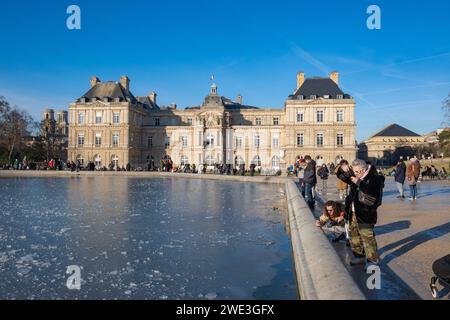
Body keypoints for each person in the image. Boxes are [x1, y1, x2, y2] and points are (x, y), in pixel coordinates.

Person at [336, 159, 383, 268]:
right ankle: (359, 256)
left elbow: (373, 194)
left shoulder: (374, 178)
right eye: (354, 171)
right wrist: (342, 170)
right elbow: (342, 177)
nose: (356, 174)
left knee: (367, 237)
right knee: (354, 236)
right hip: (352, 212)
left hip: (366, 212)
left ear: (364, 169)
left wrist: (359, 182)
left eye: (358, 172)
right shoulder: (356, 174)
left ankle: (373, 261)